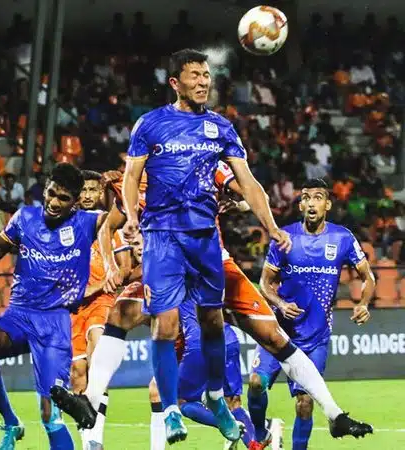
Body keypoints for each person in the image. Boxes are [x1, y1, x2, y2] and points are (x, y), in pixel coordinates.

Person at [52, 49, 371, 445]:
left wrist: (268, 224)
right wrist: (130, 223)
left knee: (264, 335)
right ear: (175, 82)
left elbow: (245, 185)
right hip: (166, 251)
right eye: (195, 75)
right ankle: (98, 406)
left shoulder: (217, 136)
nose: (204, 81)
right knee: (135, 319)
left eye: (207, 75)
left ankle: (330, 412)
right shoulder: (148, 136)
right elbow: (119, 205)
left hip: (208, 252)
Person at [0, 163, 108, 450]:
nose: (54, 202)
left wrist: (121, 183)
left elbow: (123, 216)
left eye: (63, 198)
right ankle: (11, 421)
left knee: (50, 414)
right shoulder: (24, 217)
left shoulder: (87, 222)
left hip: (55, 323)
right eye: (51, 193)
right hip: (20, 314)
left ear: (75, 202)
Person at [251, 178, 375, 450]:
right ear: (300, 205)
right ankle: (261, 433)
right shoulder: (285, 238)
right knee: (256, 383)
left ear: (327, 205)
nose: (311, 203)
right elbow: (265, 283)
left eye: (318, 197)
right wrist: (280, 304)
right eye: (306, 197)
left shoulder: (342, 238)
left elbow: (368, 276)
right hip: (279, 332)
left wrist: (364, 303)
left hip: (315, 337)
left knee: (305, 403)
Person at [70, 170, 131, 450]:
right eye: (82, 190)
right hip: (72, 306)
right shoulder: (65, 226)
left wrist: (113, 277)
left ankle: (96, 437)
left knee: (97, 355)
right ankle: (88, 441)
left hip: (101, 301)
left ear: (100, 193)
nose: (87, 195)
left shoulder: (110, 224)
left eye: (92, 190)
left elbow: (125, 267)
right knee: (77, 373)